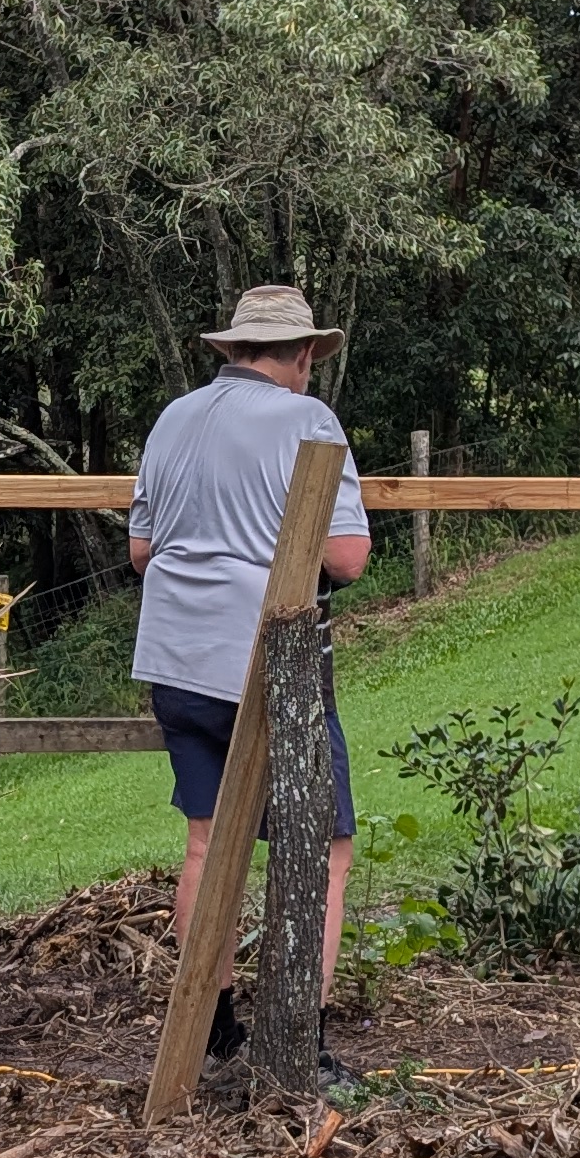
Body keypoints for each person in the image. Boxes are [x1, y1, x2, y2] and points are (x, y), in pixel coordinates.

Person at [128, 284, 372, 1045]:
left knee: (207, 842)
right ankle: (302, 1037)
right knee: (323, 848)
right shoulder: (308, 420)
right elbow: (348, 558)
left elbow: (142, 553)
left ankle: (212, 1030)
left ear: (232, 348)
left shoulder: (172, 418)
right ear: (305, 355)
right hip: (266, 660)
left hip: (174, 655)